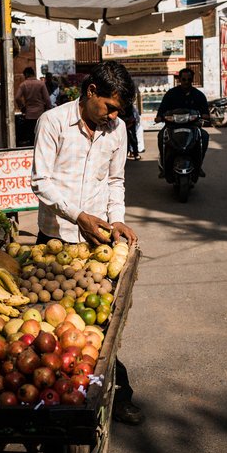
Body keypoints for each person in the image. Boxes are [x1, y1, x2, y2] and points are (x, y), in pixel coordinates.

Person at [31, 60, 143, 426]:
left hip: (99, 244)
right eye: (110, 106)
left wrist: (118, 219)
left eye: (118, 111)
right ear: (91, 92)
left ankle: (115, 392)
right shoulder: (52, 122)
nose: (113, 115)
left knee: (100, 325)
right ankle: (55, 392)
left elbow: (115, 181)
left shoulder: (118, 129)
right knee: (54, 324)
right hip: (55, 240)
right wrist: (77, 214)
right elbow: (41, 181)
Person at [154, 67, 210, 176]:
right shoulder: (171, 94)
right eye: (184, 79)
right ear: (179, 79)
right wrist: (160, 117)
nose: (186, 82)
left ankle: (199, 166)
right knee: (161, 136)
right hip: (172, 127)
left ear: (192, 80)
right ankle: (165, 166)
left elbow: (206, 113)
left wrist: (204, 116)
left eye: (189, 79)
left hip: (193, 126)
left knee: (205, 136)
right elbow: (161, 111)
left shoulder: (199, 95)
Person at [15, 67, 52, 146]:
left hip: (29, 115)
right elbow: (47, 100)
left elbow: (17, 97)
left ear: (27, 74)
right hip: (40, 114)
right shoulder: (41, 84)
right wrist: (48, 109)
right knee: (41, 136)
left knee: (32, 137)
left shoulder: (23, 84)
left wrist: (22, 107)